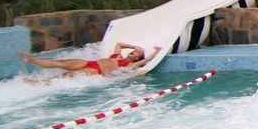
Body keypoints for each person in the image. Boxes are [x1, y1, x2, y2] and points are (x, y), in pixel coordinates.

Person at [20, 43, 160, 80]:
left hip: (96, 71)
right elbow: (119, 44)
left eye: (136, 53)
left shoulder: (130, 64)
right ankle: (31, 59)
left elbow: (147, 60)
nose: (133, 52)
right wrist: (134, 46)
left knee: (67, 76)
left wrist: (157, 51)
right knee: (61, 63)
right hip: (89, 63)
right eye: (134, 51)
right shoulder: (117, 56)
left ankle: (38, 83)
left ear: (137, 58)